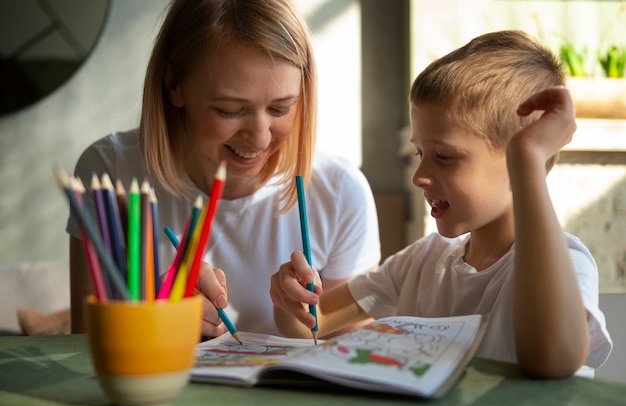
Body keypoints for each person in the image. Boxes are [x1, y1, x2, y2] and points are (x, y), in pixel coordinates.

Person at [269, 30, 613, 379]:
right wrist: (291, 302)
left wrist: (528, 162)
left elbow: (551, 361)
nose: (419, 176)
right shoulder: (419, 263)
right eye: (420, 153)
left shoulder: (566, 263)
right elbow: (310, 326)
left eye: (445, 156)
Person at [66, 0, 380, 336]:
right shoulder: (110, 174)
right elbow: (85, 348)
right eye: (229, 110)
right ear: (174, 85)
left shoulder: (341, 190)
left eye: (280, 108)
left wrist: (307, 319)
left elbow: (354, 358)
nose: (259, 137)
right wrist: (150, 318)